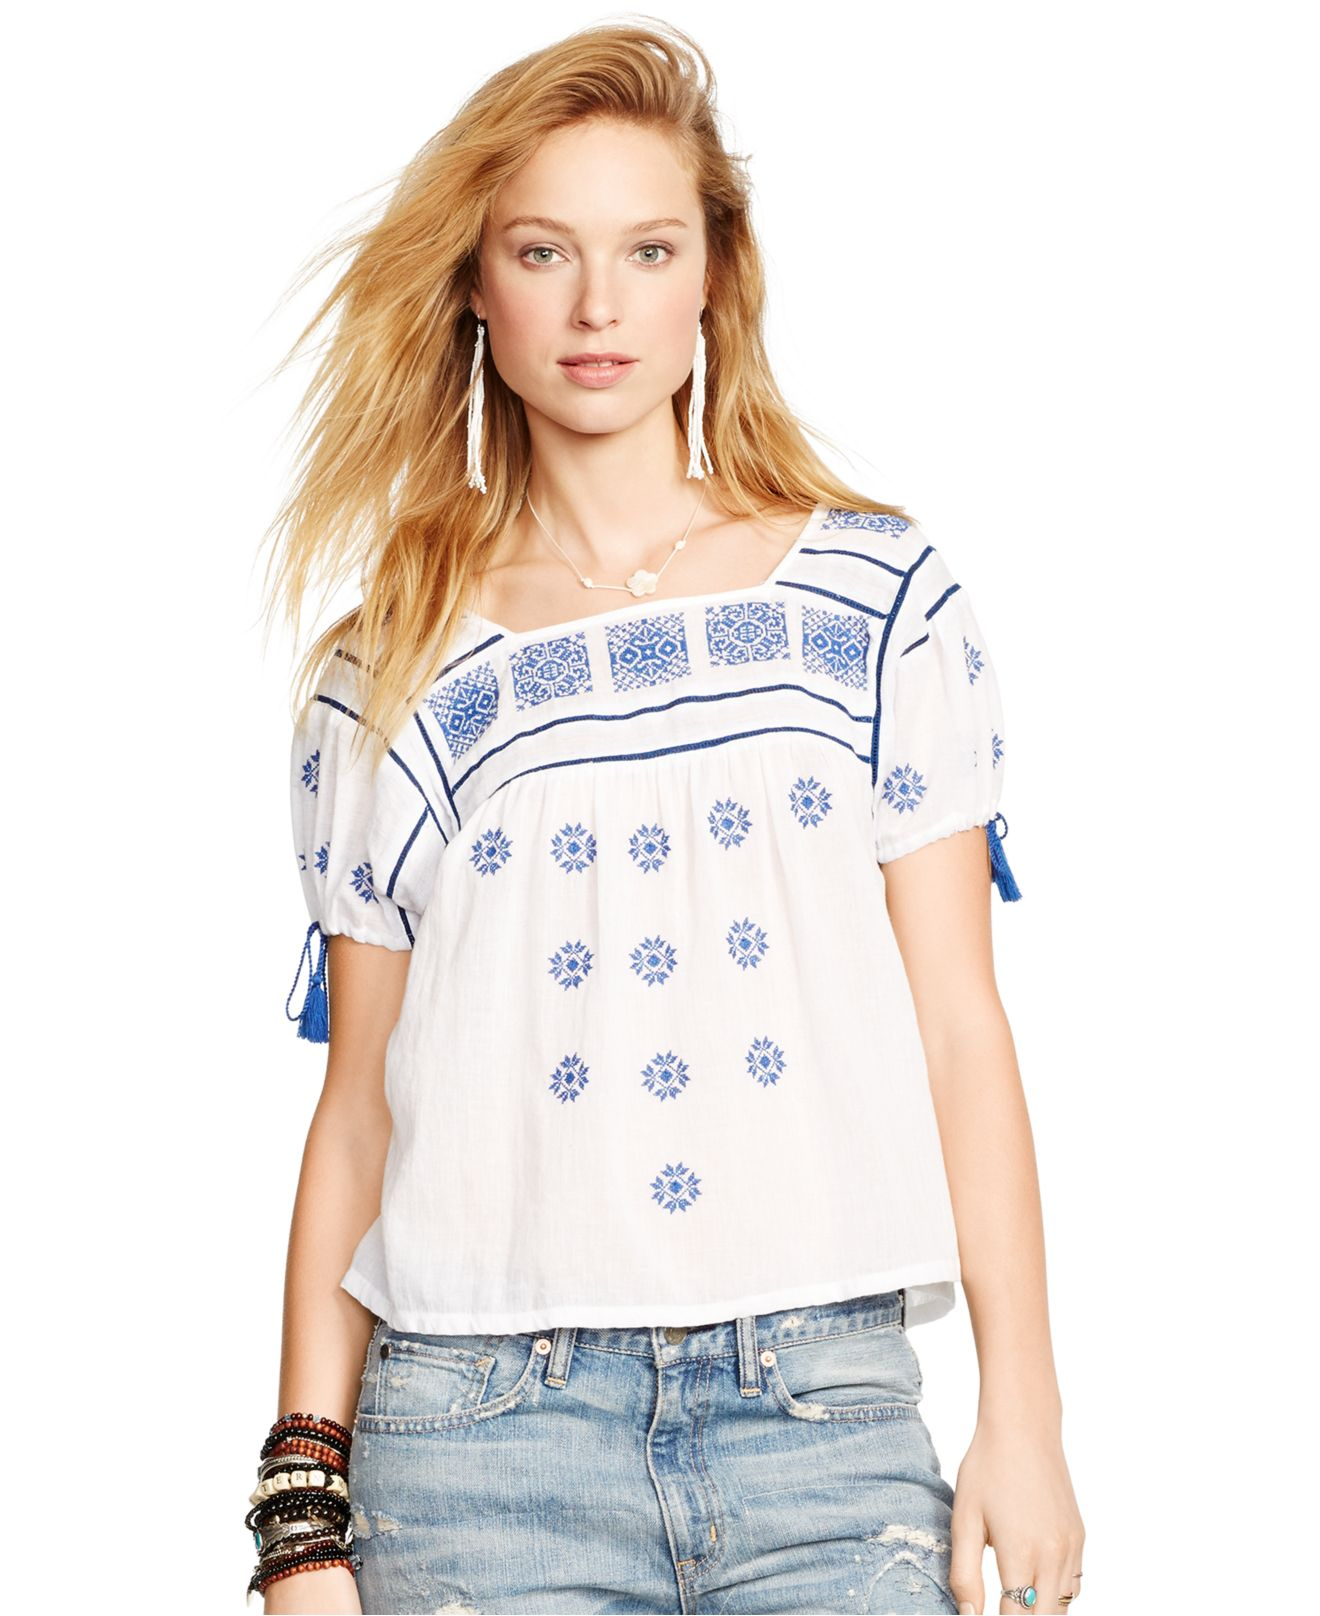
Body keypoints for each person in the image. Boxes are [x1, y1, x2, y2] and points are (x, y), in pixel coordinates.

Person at [253, 20, 1084, 1615]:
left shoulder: (878, 606)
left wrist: (1024, 1414)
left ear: (713, 279)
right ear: (475, 288)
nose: (597, 306)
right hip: (479, 1447)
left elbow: (962, 1030)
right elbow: (358, 1110)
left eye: (646, 249)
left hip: (826, 1428)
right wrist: (302, 1517)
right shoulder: (390, 671)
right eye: (542, 252)